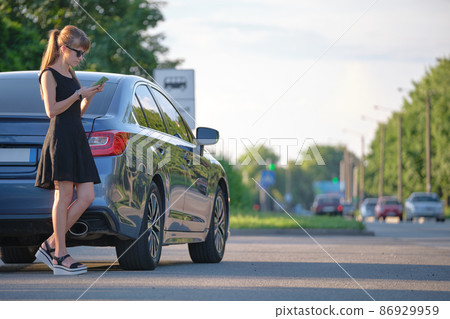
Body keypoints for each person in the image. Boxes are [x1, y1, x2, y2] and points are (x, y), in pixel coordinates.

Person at [34, 25, 104, 275]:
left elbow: (77, 113)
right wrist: (77, 94)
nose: (80, 57)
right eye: (78, 53)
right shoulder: (48, 75)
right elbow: (51, 111)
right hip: (61, 139)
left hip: (76, 138)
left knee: (87, 197)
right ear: (64, 49)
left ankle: (51, 244)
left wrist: (89, 97)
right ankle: (59, 256)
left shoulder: (71, 73)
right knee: (62, 197)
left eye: (83, 53)